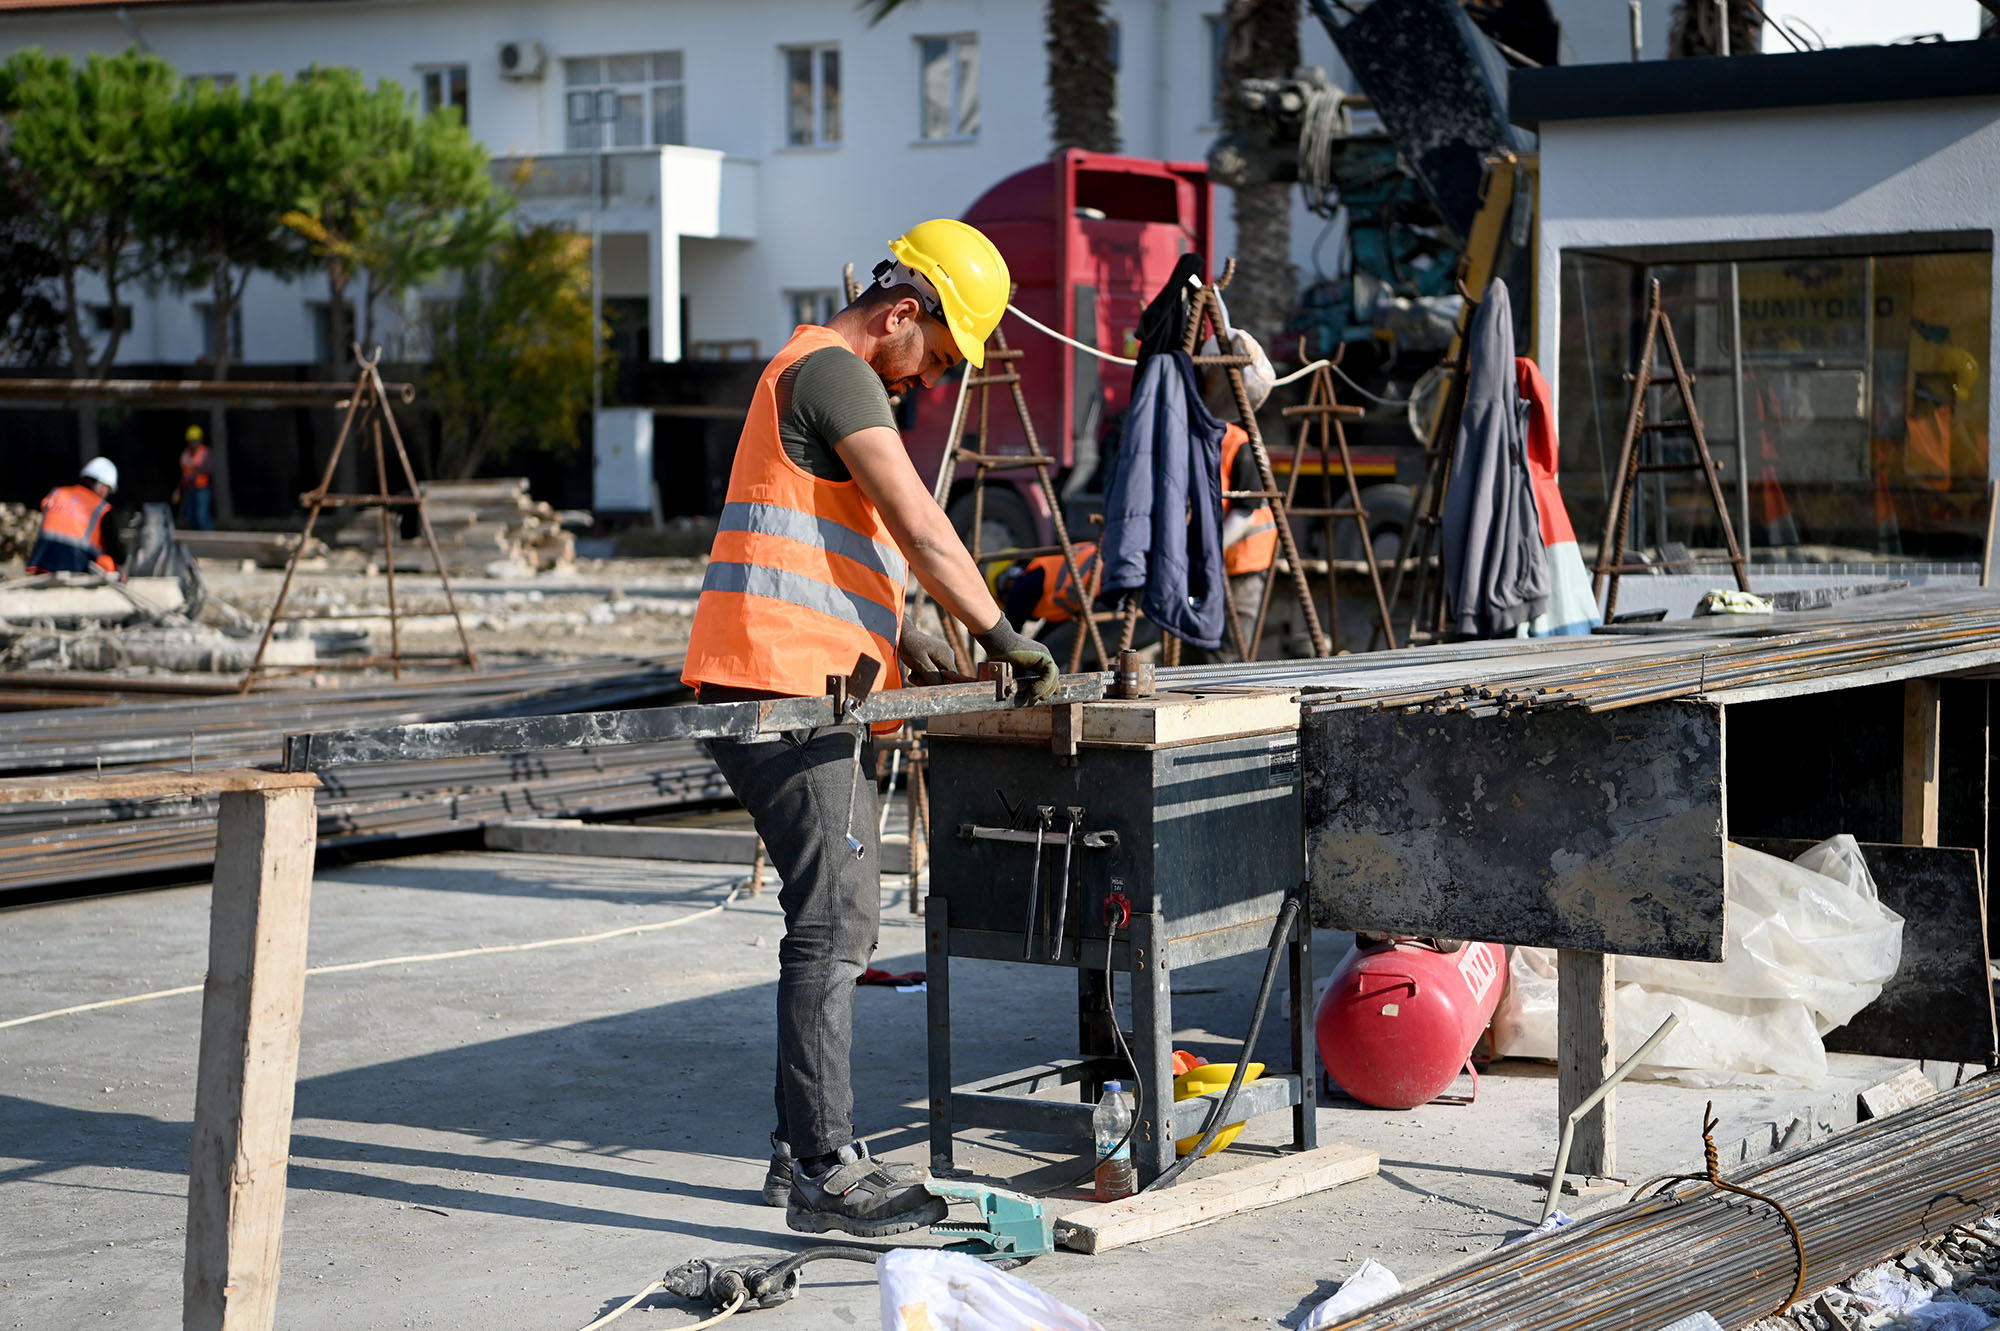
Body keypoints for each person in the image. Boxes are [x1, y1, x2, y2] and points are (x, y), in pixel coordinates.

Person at [681, 218, 1060, 1239]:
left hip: (794, 682)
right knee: (838, 919)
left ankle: (791, 1148)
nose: (924, 382)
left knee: (830, 911)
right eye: (931, 359)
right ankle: (823, 1167)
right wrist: (998, 632)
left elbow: (839, 548)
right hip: (782, 692)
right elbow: (917, 521)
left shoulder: (816, 373)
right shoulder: (836, 372)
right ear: (901, 312)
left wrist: (918, 644)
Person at [26, 457, 120, 576]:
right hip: (75, 566)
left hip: (40, 562)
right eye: (108, 489)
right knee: (107, 563)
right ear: (101, 486)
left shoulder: (56, 493)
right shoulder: (101, 509)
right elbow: (116, 551)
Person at [177, 425, 214, 531]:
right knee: (191, 516)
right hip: (189, 489)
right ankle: (195, 543)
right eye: (190, 440)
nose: (192, 443)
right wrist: (179, 489)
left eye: (195, 440)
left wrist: (194, 468)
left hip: (202, 489)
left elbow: (209, 469)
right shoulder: (186, 454)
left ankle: (209, 539)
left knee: (202, 516)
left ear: (199, 440)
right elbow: (184, 473)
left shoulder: (205, 452)